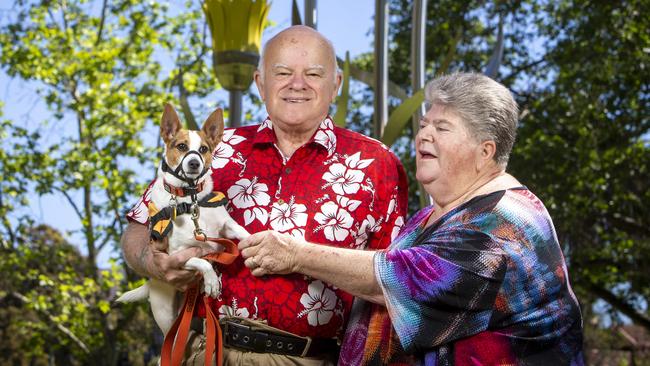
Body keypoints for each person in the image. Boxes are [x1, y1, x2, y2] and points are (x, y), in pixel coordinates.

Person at [239, 72, 585, 365]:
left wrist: (295, 253)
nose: (424, 135)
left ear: (485, 151)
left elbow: (399, 279)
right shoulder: (427, 217)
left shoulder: (504, 225)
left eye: (442, 128)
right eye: (423, 124)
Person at [121, 25, 408, 365]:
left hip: (308, 358)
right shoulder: (213, 151)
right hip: (203, 351)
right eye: (282, 72)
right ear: (260, 83)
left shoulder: (377, 165)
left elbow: (395, 280)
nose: (297, 84)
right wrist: (153, 263)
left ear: (336, 84)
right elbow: (139, 227)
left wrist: (301, 256)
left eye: (313, 73)